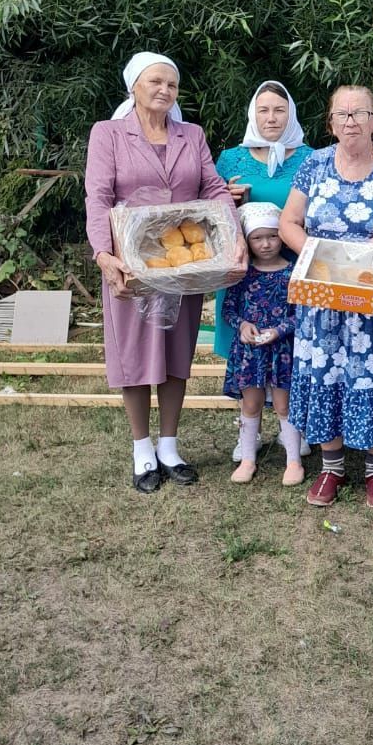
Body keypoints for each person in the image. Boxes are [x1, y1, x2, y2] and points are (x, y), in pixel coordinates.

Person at [85, 52, 245, 493]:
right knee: (133, 357)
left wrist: (233, 236)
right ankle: (142, 449)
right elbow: (97, 197)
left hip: (185, 263)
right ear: (134, 86)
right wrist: (103, 252)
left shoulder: (190, 134)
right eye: (155, 81)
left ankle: (169, 446)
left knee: (177, 354)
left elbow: (211, 187)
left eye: (171, 84)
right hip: (132, 264)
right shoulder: (109, 134)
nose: (164, 90)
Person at [280, 86, 373, 508]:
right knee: (326, 373)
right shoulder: (313, 165)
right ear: (330, 122)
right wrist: (314, 253)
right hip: (324, 297)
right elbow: (289, 223)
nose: (350, 122)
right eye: (341, 115)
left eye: (359, 114)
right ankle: (331, 466)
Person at [213, 81, 313, 360]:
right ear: (252, 115)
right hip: (246, 267)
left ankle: (287, 404)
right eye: (263, 110)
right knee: (245, 347)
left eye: (280, 110)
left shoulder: (312, 159)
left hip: (293, 263)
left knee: (291, 346)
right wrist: (226, 200)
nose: (271, 117)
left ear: (290, 114)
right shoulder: (230, 159)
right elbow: (212, 216)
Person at [224, 202, 301, 486]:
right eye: (257, 238)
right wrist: (243, 326)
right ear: (247, 240)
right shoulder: (241, 274)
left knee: (284, 404)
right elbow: (228, 310)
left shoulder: (293, 272)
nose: (266, 244)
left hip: (282, 350)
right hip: (250, 351)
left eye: (272, 236)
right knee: (251, 403)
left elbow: (301, 313)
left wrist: (280, 330)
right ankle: (247, 459)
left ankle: (293, 461)